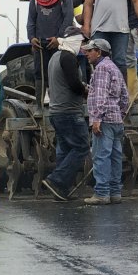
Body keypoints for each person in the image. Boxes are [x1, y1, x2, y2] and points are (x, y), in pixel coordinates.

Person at [41, 26, 90, 202]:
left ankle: (60, 191)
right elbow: (74, 84)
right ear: (75, 41)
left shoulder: (54, 57)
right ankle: (57, 180)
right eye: (82, 42)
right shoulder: (68, 58)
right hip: (69, 112)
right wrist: (85, 90)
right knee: (82, 147)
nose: (83, 46)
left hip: (55, 112)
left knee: (65, 149)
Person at [83, 38, 129, 205]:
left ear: (99, 52)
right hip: (116, 119)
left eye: (90, 51)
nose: (87, 54)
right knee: (116, 157)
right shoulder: (114, 68)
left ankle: (102, 193)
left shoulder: (101, 69)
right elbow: (125, 96)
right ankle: (115, 192)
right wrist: (120, 112)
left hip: (104, 121)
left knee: (101, 156)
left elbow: (101, 95)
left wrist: (96, 119)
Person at [26, 0, 74, 98]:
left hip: (59, 43)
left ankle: (59, 101)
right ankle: (39, 105)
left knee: (59, 72)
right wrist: (31, 37)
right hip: (40, 44)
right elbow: (31, 20)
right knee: (39, 73)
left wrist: (59, 38)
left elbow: (68, 19)